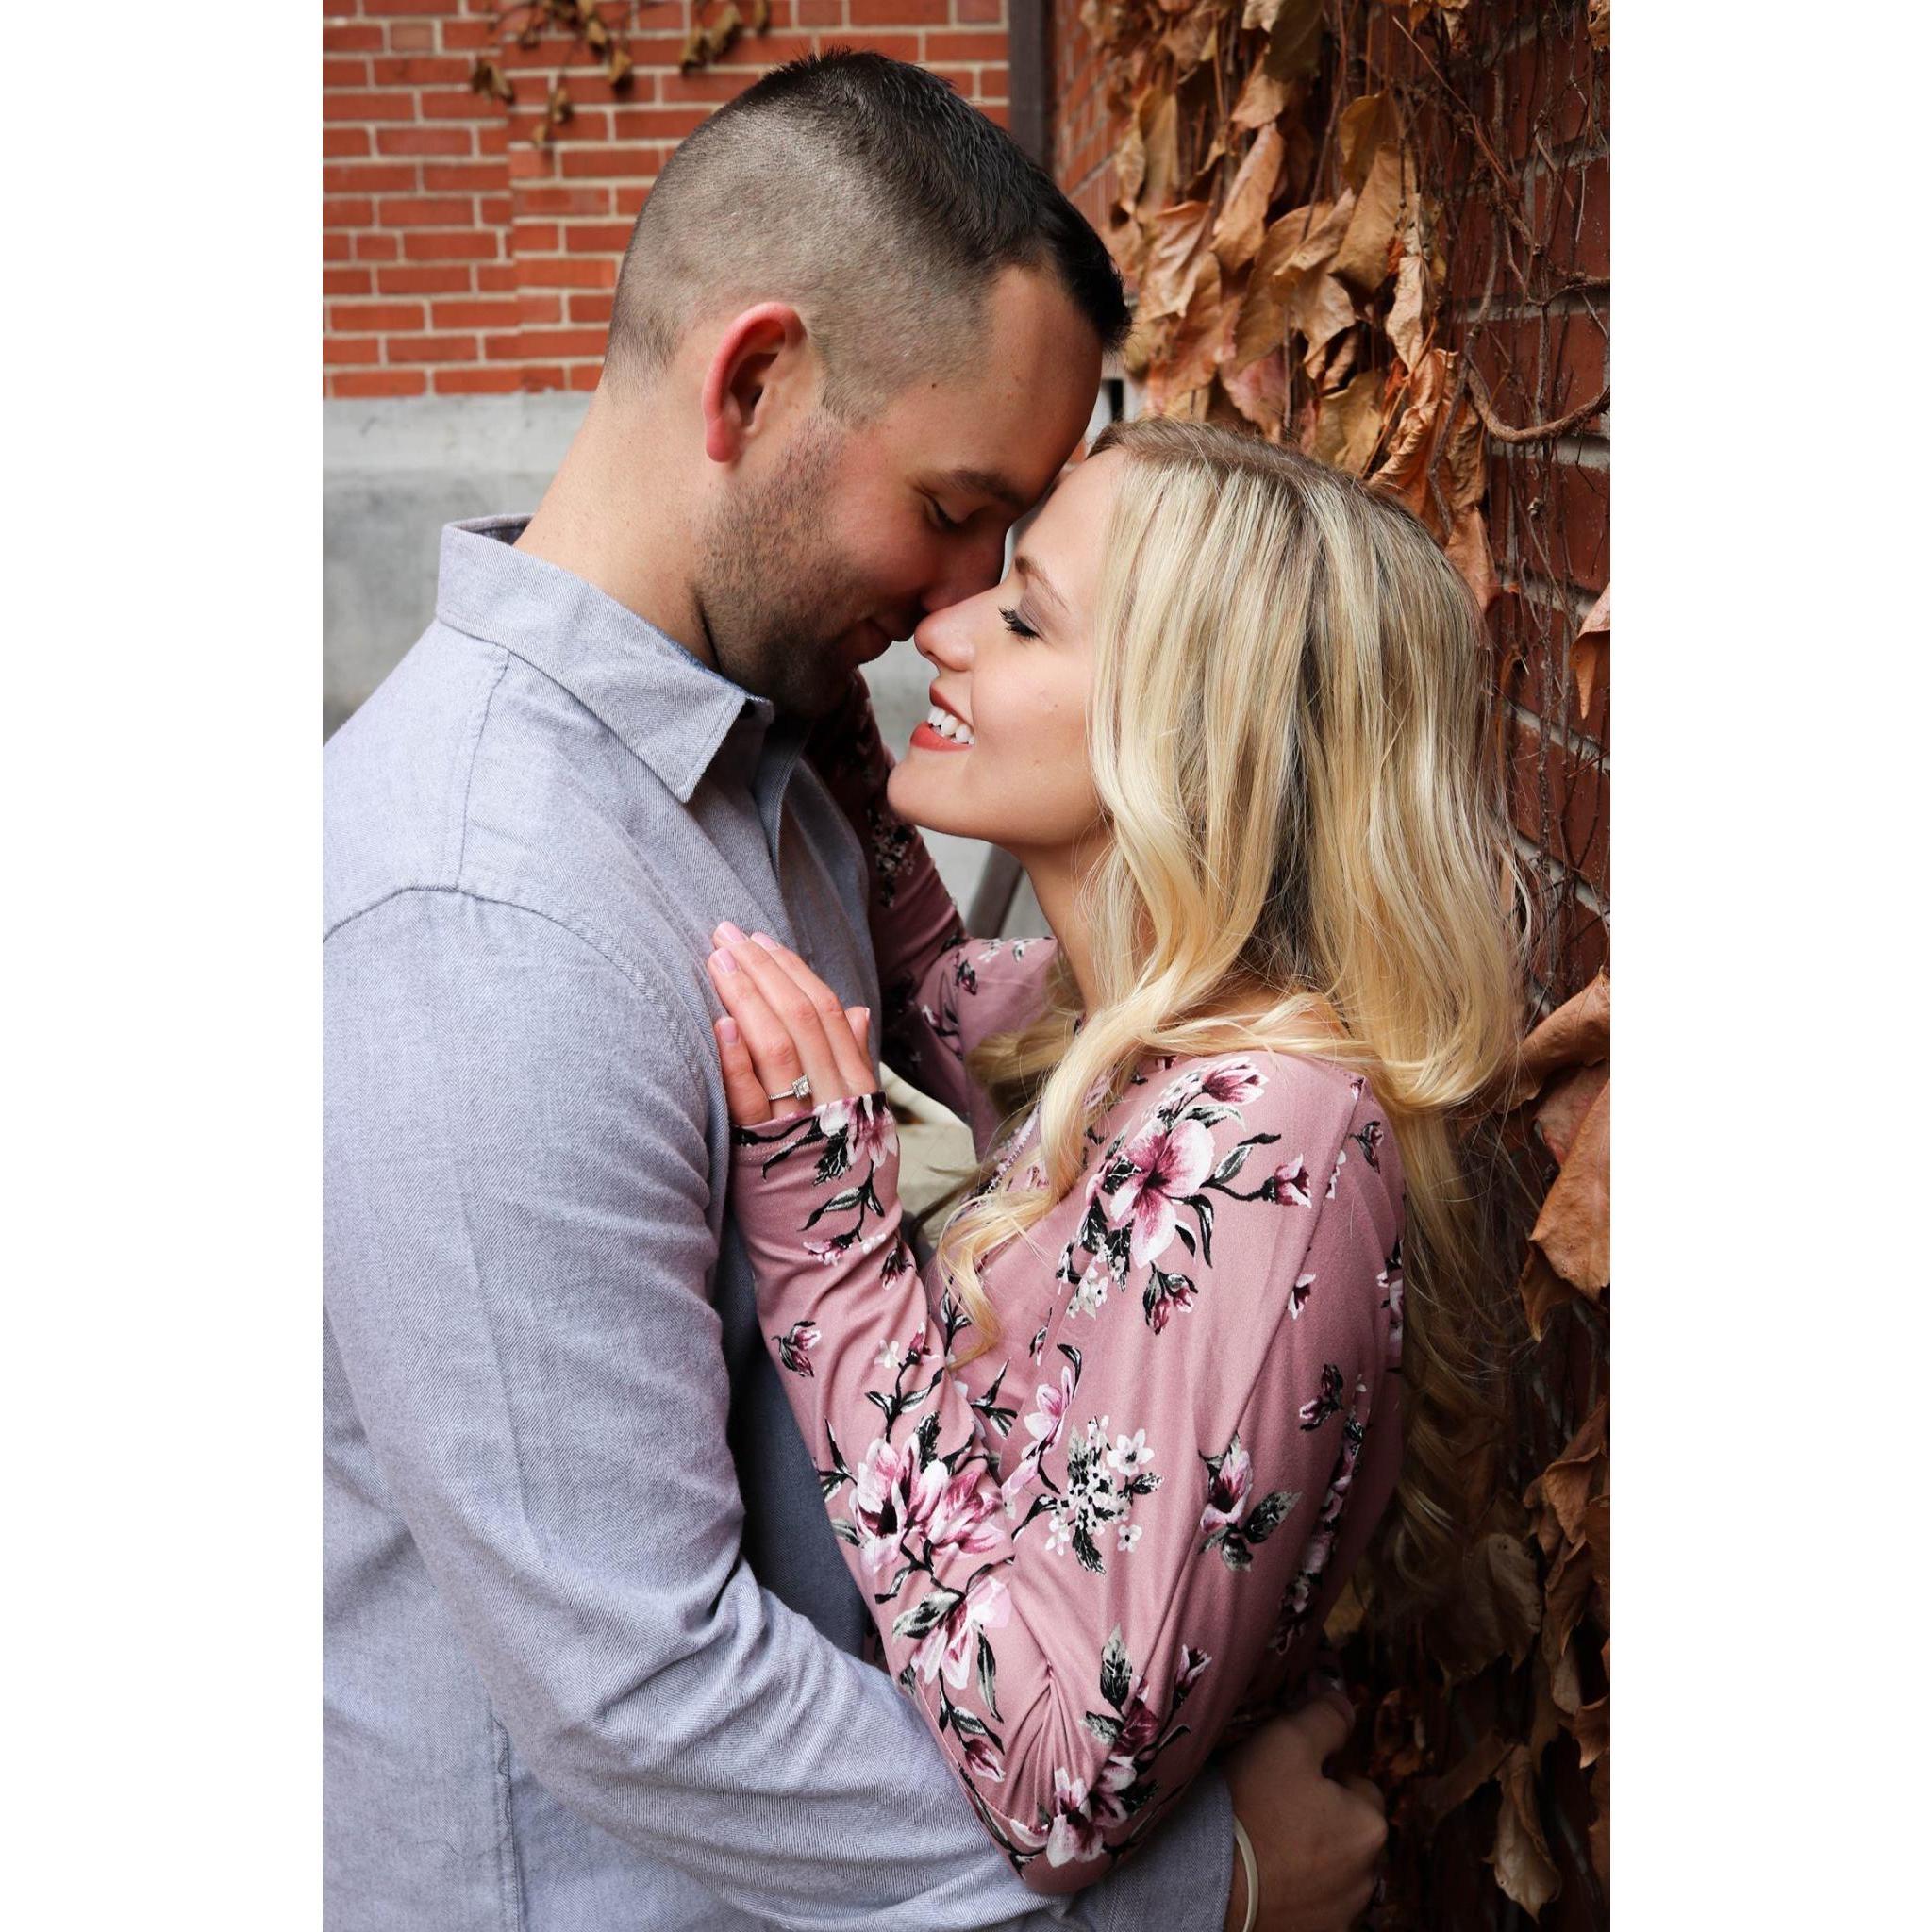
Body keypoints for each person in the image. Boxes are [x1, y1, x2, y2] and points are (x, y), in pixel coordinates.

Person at [325, 52, 1386, 1932]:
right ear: (751, 384)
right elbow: (642, 1684)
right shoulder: (487, 910)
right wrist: (1195, 1889)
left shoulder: (784, 769)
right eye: (957, 507)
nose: (959, 598)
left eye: (1018, 560)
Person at [703, 419, 1530, 1891]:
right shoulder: (1119, 1029)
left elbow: (1058, 1784)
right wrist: (840, 746)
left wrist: (828, 1238)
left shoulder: (1267, 1137)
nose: (944, 629)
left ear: (1188, 735)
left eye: (1024, 619)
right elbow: (946, 1004)